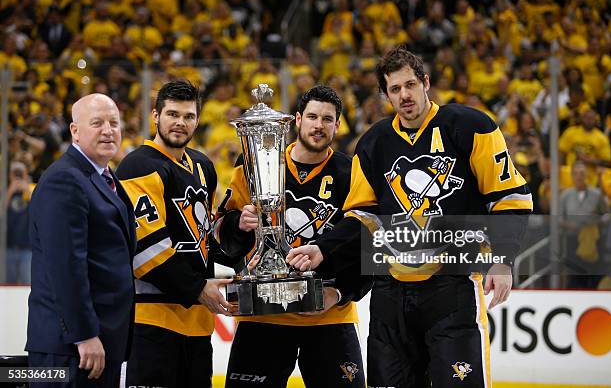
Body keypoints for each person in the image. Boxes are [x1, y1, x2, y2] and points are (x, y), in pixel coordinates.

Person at [288, 44, 533, 387]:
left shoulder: (471, 126)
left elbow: (508, 196)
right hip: (390, 295)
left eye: (409, 85)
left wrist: (502, 260)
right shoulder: (373, 143)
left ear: (425, 82)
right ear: (386, 95)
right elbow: (362, 217)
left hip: (454, 286)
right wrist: (324, 249)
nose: (404, 95)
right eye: (394, 89)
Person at [216, 85, 370, 387]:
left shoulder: (350, 173)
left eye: (328, 119)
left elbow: (366, 241)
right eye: (312, 116)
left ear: (338, 126)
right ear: (297, 120)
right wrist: (239, 223)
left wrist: (340, 293)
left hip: (328, 316)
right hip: (263, 316)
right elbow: (222, 239)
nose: (319, 125)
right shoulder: (253, 163)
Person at [116, 80, 239, 388]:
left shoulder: (203, 165)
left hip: (198, 324)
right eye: (172, 114)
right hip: (153, 321)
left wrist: (240, 228)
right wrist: (198, 287)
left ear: (197, 120)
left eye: (188, 116)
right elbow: (145, 250)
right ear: (155, 116)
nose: (180, 123)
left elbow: (206, 239)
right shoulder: (139, 165)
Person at [26, 94, 136, 388]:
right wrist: (84, 334)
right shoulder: (64, 180)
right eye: (97, 123)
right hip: (71, 350)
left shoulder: (104, 178)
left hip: (99, 345)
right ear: (75, 131)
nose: (108, 130)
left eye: (114, 123)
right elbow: (65, 267)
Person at [560, 160, 609, 289]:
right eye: (576, 174)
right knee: (575, 275)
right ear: (572, 176)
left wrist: (596, 223)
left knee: (593, 274)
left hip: (593, 241)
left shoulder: (596, 194)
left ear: (586, 175)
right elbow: (559, 218)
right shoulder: (565, 195)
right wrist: (571, 226)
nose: (579, 176)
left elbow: (607, 215)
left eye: (582, 173)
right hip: (572, 241)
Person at [5, 161, 34, 284]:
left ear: (26, 174)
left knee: (27, 285)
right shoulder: (4, 191)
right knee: (7, 284)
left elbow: (41, 210)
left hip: (27, 247)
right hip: (7, 247)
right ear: (9, 175)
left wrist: (27, 189)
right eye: (15, 173)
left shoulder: (32, 189)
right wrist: (9, 192)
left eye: (20, 173)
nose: (17, 176)